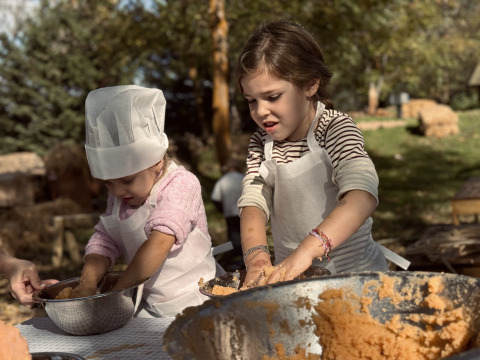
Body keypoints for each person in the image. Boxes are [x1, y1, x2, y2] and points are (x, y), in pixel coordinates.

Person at [235, 20, 408, 287]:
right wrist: (256, 257)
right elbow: (253, 203)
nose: (260, 111)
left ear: (310, 85)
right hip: (293, 284)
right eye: (251, 101)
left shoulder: (334, 129)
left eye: (272, 97)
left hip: (357, 281)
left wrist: (307, 250)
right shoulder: (261, 142)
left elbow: (362, 195)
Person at [74, 85, 219, 318]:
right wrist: (88, 284)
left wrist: (116, 295)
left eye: (127, 180)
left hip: (202, 301)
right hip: (152, 306)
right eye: (108, 184)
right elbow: (104, 241)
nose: (117, 191)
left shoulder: (181, 184)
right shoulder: (120, 198)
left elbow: (160, 242)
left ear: (157, 163)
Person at [210, 158, 245, 269]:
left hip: (230, 213)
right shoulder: (243, 178)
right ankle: (247, 258)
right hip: (245, 211)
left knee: (234, 237)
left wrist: (222, 209)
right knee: (246, 235)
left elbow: (215, 198)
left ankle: (236, 261)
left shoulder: (222, 180)